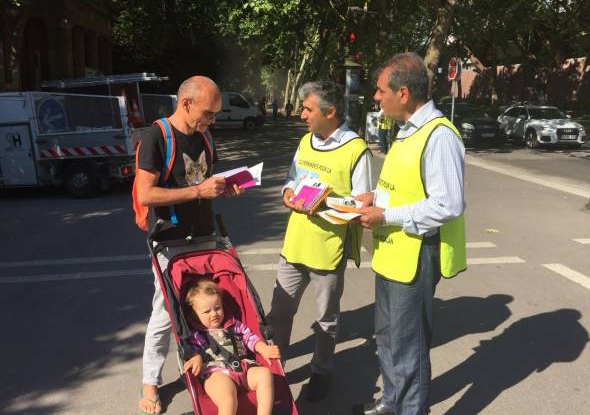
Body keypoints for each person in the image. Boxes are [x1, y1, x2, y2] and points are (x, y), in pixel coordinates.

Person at [354, 53, 467, 415]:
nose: (376, 96)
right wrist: (376, 198)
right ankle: (392, 402)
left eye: (380, 90)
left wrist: (386, 215)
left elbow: (448, 204)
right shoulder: (407, 129)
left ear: (403, 93)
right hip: (393, 251)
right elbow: (407, 187)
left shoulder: (439, 135)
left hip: (416, 254)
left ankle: (410, 410)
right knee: (387, 336)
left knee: (408, 344)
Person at [136, 76, 244, 414]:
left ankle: (205, 362)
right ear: (186, 103)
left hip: (205, 239)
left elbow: (203, 181)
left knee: (205, 306)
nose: (213, 120)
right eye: (209, 113)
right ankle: (150, 383)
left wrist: (225, 187)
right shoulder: (157, 137)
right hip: (169, 242)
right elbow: (146, 194)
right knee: (165, 313)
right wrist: (199, 191)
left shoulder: (205, 136)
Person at [267, 81, 374, 401]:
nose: (302, 115)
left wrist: (323, 204)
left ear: (330, 112)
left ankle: (321, 371)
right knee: (279, 314)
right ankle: (274, 370)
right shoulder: (305, 141)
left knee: (326, 319)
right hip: (294, 245)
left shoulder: (356, 149)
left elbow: (363, 206)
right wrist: (289, 194)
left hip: (328, 249)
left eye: (307, 109)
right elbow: (291, 180)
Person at [182, 278, 280, 415]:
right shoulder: (197, 334)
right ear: (194, 315)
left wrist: (262, 348)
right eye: (207, 311)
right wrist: (196, 356)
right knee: (227, 399)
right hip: (215, 373)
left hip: (242, 367)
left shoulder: (233, 324)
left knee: (265, 374)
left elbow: (249, 337)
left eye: (217, 308)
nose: (214, 314)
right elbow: (190, 350)